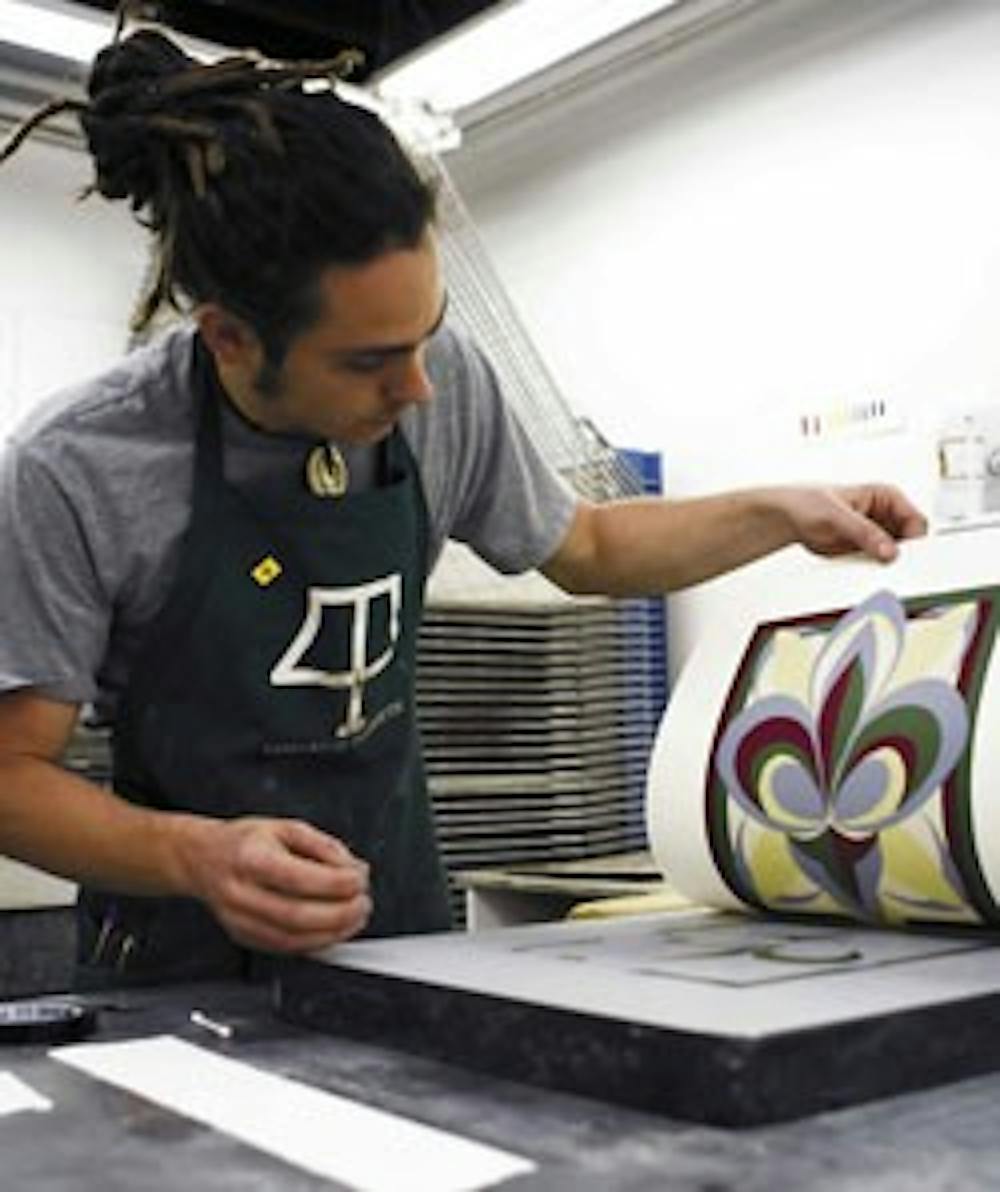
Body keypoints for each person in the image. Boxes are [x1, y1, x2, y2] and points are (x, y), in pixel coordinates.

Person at [0, 29, 926, 988]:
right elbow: (10, 777)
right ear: (230, 338)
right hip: (175, 962)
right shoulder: (79, 468)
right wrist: (197, 855)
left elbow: (591, 546)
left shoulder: (439, 381)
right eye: (367, 362)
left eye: (425, 336)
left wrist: (781, 512)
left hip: (398, 933)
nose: (419, 388)